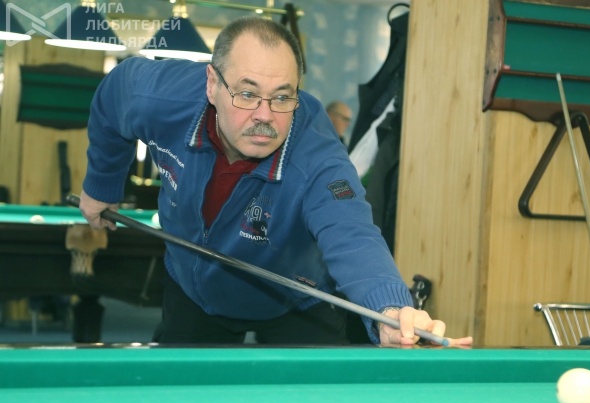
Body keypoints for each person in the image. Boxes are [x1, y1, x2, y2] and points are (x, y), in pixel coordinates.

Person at [79, 16, 472, 347]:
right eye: (247, 94)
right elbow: (115, 92)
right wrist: (102, 184)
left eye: (282, 97)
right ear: (212, 84)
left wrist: (391, 309)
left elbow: (352, 234)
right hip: (193, 289)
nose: (265, 115)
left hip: (297, 298)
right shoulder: (161, 97)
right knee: (184, 401)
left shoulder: (318, 156)